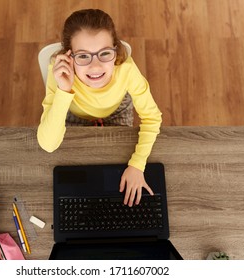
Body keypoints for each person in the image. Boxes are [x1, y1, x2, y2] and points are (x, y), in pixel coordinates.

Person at [37, 9, 162, 207]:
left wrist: (137, 165)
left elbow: (152, 118)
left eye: (104, 53)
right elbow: (48, 144)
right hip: (72, 111)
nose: (95, 67)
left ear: (115, 50)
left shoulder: (126, 69)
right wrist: (63, 90)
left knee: (115, 173)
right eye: (83, 56)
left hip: (116, 111)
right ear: (68, 56)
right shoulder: (58, 70)